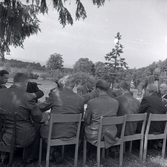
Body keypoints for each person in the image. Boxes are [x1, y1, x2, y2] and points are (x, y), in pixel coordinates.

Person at [0, 73, 43, 164]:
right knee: (38, 126)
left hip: (2, 134)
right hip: (21, 137)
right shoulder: (28, 97)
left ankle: (3, 156)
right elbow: (38, 118)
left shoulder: (1, 92)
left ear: (14, 82)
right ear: (26, 84)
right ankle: (29, 157)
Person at [40, 76, 84, 161]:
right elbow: (81, 116)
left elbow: (42, 108)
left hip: (53, 133)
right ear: (74, 85)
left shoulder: (55, 95)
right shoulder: (80, 99)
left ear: (63, 84)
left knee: (39, 128)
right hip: (71, 133)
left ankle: (52, 151)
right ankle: (56, 152)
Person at [84, 79, 119, 148]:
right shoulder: (116, 102)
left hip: (95, 134)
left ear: (97, 89)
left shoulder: (92, 102)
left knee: (83, 127)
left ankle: (85, 150)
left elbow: (87, 120)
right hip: (111, 133)